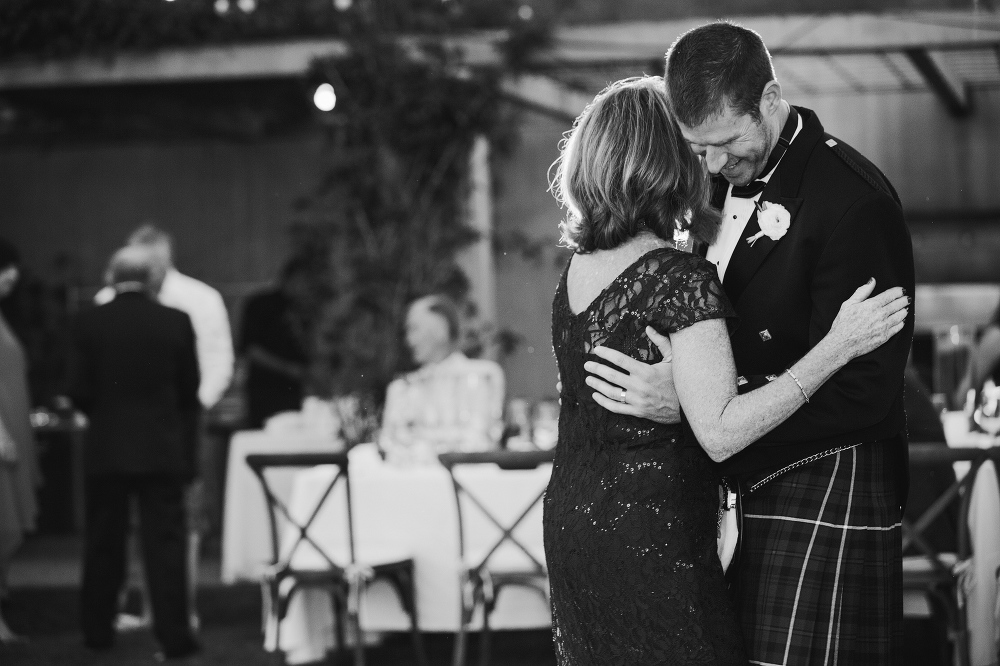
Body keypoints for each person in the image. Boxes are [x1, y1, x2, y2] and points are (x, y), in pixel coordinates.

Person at [586, 23, 915, 664]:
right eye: (696, 147)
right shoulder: (708, 182)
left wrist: (709, 407)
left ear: (770, 98)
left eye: (727, 142)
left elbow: (867, 390)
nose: (711, 165)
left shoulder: (853, 200)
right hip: (731, 482)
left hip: (826, 473)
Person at [96, 224, 234, 632]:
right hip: (123, 430)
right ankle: (135, 608)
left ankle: (177, 609)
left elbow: (218, 361)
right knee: (126, 522)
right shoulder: (108, 301)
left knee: (183, 519)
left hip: (183, 425)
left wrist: (191, 409)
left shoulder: (200, 298)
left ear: (164, 261)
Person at [69, 246, 201, 660]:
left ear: (112, 276)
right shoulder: (175, 321)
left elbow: (77, 390)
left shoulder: (86, 322)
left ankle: (97, 631)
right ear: (153, 279)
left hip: (107, 447)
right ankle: (174, 636)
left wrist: (106, 417)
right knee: (165, 544)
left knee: (103, 541)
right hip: (161, 448)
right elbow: (189, 390)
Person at [379, 294, 504, 461]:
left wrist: (420, 443)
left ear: (441, 329)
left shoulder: (483, 376)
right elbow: (389, 445)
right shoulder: (402, 388)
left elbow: (481, 442)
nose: (409, 340)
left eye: (414, 328)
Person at [0, 238, 39, 643]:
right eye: (3, 267)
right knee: (4, 526)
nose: (11, 274)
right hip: (1, 432)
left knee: (9, 527)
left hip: (12, 427)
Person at [238, 258, 312, 429]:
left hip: (299, 390)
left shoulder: (309, 308)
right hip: (266, 389)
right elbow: (250, 348)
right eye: (303, 281)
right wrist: (288, 368)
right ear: (288, 279)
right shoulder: (261, 304)